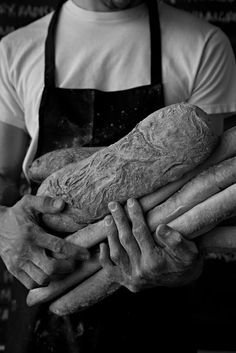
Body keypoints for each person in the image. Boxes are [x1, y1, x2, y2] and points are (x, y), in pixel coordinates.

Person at [0, 0, 236, 352]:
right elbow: (3, 174)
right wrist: (3, 223)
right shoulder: (16, 49)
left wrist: (184, 266)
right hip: (46, 284)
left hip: (157, 313)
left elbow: (203, 188)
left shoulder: (203, 44)